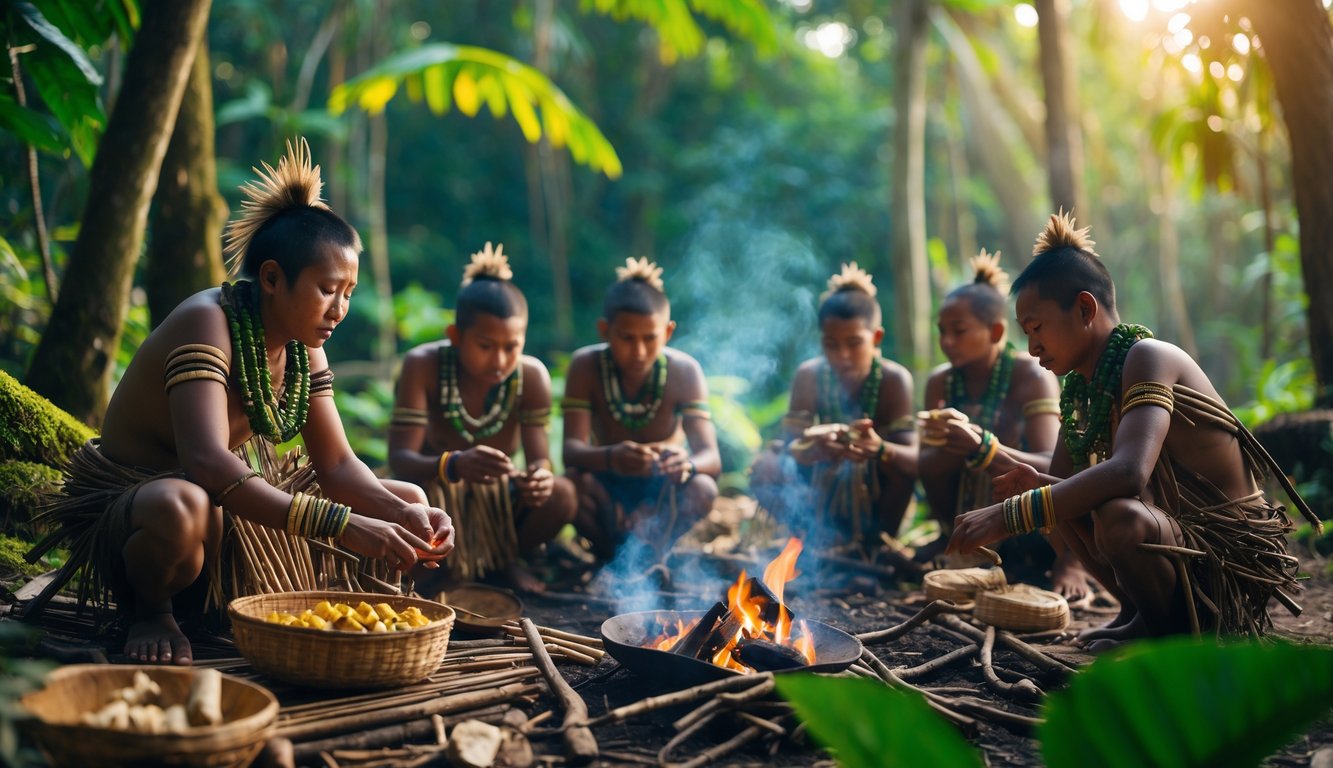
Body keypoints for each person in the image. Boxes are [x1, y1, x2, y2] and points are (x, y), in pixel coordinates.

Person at [24, 139, 454, 665]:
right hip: (142, 503)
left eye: (348, 292)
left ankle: (326, 611)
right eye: (327, 289)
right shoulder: (207, 322)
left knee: (407, 496)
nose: (339, 308)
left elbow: (339, 465)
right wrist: (343, 524)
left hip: (228, 504)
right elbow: (205, 461)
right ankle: (152, 610)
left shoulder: (303, 348)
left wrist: (405, 513)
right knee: (182, 505)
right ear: (272, 278)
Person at [947, 212, 1320, 647]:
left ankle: (1171, 640)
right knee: (1056, 498)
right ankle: (1144, 615)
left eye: (1037, 328)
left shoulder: (1148, 357)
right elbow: (1067, 488)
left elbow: (1129, 474)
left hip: (1223, 564)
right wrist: (1032, 488)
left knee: (1116, 514)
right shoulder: (1082, 390)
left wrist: (1010, 515)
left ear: (1085, 308)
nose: (1032, 346)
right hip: (1177, 545)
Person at [388, 243, 576, 595]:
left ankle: (501, 565)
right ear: (456, 337)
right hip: (433, 493)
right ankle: (446, 572)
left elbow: (541, 461)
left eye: (512, 347)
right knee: (408, 501)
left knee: (563, 495)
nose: (500, 360)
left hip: (499, 503)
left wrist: (539, 478)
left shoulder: (531, 376)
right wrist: (453, 465)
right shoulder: (422, 366)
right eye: (486, 345)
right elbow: (400, 460)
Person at [917, 250, 1091, 598]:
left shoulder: (1030, 374)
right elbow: (926, 467)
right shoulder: (941, 383)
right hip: (967, 513)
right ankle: (951, 540)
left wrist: (983, 447)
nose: (947, 342)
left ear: (996, 331)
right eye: (941, 332)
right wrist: (947, 446)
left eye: (959, 331)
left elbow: (1052, 465)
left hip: (1028, 526)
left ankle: (1070, 561)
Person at [562, 257, 721, 562]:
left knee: (703, 487)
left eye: (650, 338)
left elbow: (710, 457)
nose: (639, 351)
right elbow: (570, 451)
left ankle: (652, 557)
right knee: (570, 484)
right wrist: (612, 457)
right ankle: (610, 559)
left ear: (668, 331)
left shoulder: (685, 371)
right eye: (626, 338)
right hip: (605, 485)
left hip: (661, 488)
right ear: (604, 330)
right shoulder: (585, 367)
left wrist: (686, 464)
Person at [750, 263, 917, 553]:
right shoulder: (809, 375)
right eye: (831, 345)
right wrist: (813, 444)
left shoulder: (894, 379)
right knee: (766, 466)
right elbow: (790, 446)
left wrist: (878, 449)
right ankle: (808, 539)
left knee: (901, 468)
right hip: (818, 489)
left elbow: (914, 459)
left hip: (874, 499)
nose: (843, 355)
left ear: (876, 338)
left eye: (854, 343)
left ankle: (875, 547)